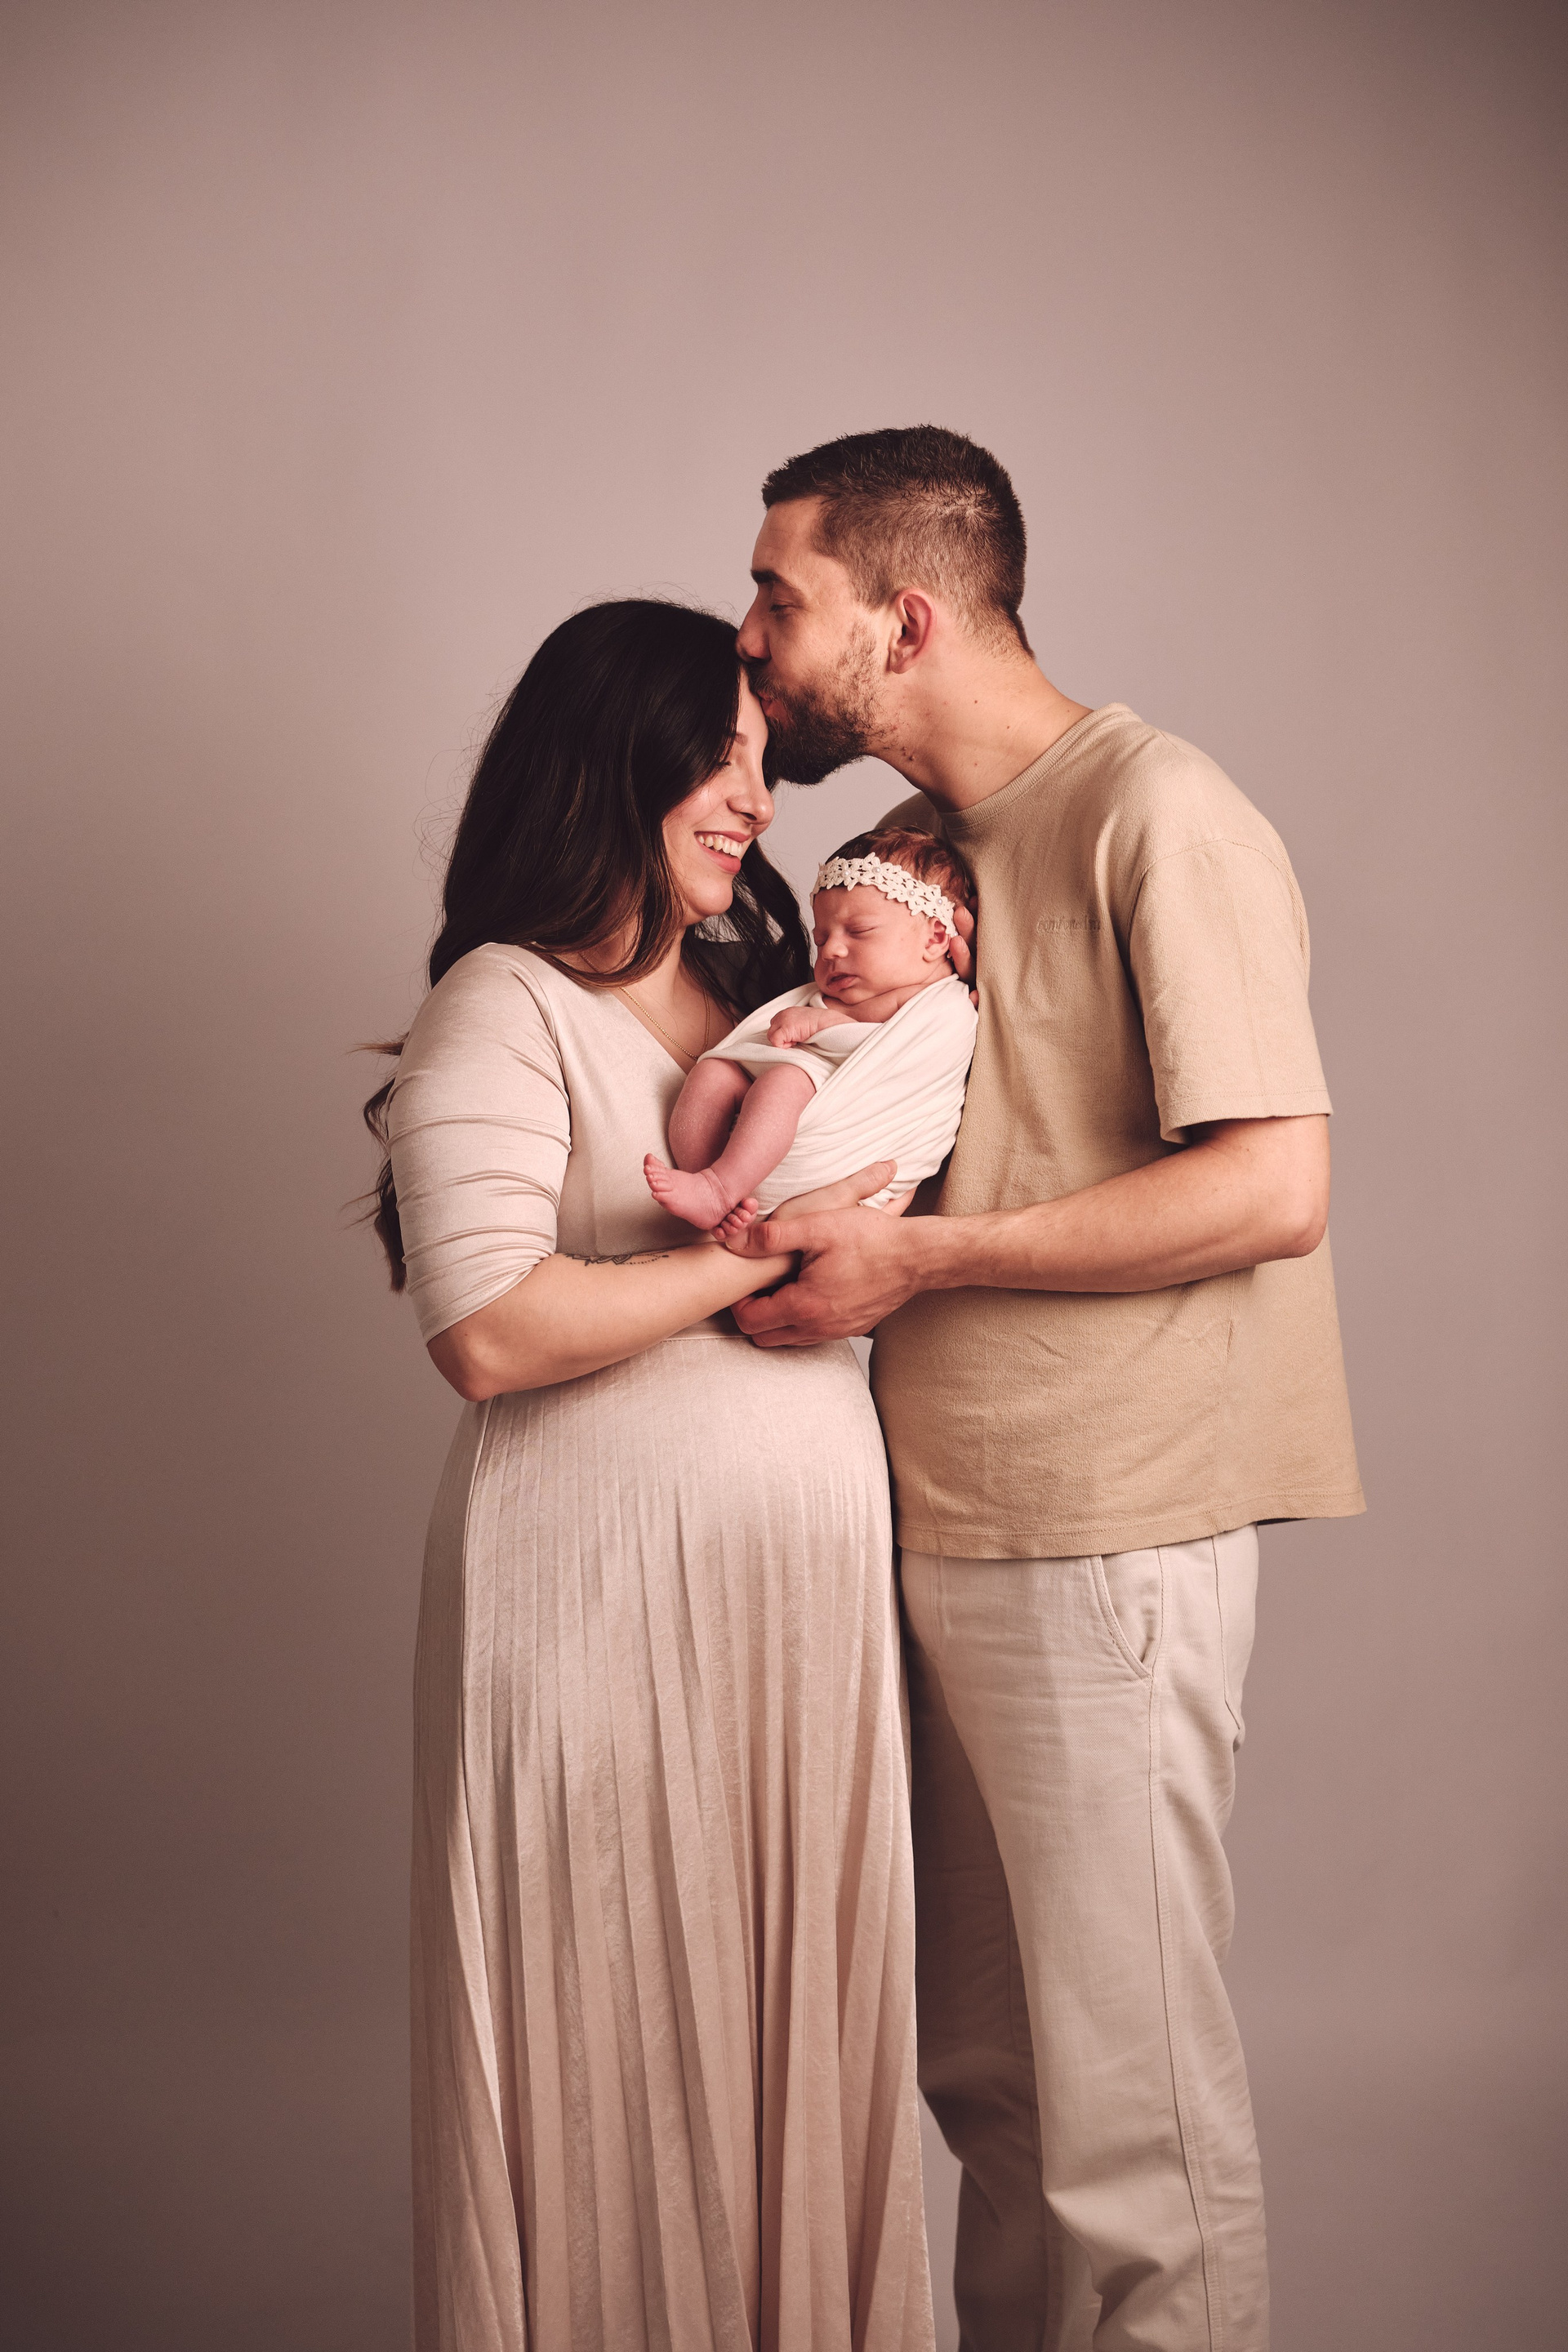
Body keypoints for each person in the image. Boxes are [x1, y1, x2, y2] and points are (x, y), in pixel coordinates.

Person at [730, 429, 1365, 2352]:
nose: (748, 635)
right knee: (992, 2092)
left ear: (905, 619)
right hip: (943, 1526)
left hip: (1104, 1544)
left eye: (779, 598)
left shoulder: (1157, 811)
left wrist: (916, 1262)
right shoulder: (919, 858)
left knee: (1127, 2122)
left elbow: (1272, 1188)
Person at [363, 599, 935, 2352]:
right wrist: (747, 1260)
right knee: (616, 2039)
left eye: (764, 756)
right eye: (720, 755)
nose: (758, 795)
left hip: (796, 1612)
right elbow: (487, 1330)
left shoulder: (765, 1000)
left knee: (784, 2042)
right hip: (596, 1602)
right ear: (614, 758)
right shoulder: (506, 999)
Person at [645, 826, 977, 1236]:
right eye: (821, 939)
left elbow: (889, 1056)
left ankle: (720, 1189)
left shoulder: (938, 1003)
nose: (832, 950)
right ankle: (708, 1178)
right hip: (791, 1098)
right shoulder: (837, 990)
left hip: (839, 1113)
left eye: (858, 932)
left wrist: (823, 1024)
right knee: (714, 1072)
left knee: (785, 1080)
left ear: (936, 938)